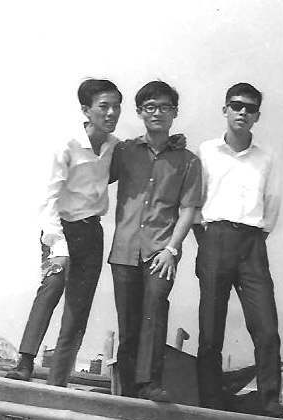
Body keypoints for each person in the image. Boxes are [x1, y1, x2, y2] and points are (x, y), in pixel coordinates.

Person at [6, 79, 122, 385]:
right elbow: (49, 199)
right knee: (52, 286)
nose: (111, 113)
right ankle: (24, 362)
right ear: (86, 109)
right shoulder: (67, 144)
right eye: (104, 106)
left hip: (91, 232)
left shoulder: (115, 147)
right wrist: (58, 247)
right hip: (60, 229)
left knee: (78, 309)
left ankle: (57, 380)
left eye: (116, 106)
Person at [194, 83, 283, 418]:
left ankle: (270, 402)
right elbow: (194, 201)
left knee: (266, 327)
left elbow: (272, 204)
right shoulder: (207, 151)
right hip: (214, 238)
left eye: (250, 108)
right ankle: (210, 403)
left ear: (257, 115)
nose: (242, 112)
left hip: (251, 243)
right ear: (225, 110)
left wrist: (255, 238)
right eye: (236, 106)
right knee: (210, 329)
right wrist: (206, 241)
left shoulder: (267, 156)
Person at [109, 80, 203, 402]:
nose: (157, 113)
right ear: (139, 112)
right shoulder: (125, 151)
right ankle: (127, 393)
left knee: (155, 308)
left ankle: (150, 383)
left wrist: (172, 249)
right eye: (150, 107)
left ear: (174, 112)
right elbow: (98, 172)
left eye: (164, 107)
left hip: (161, 250)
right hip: (124, 249)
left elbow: (189, 208)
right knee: (128, 324)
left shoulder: (188, 160)